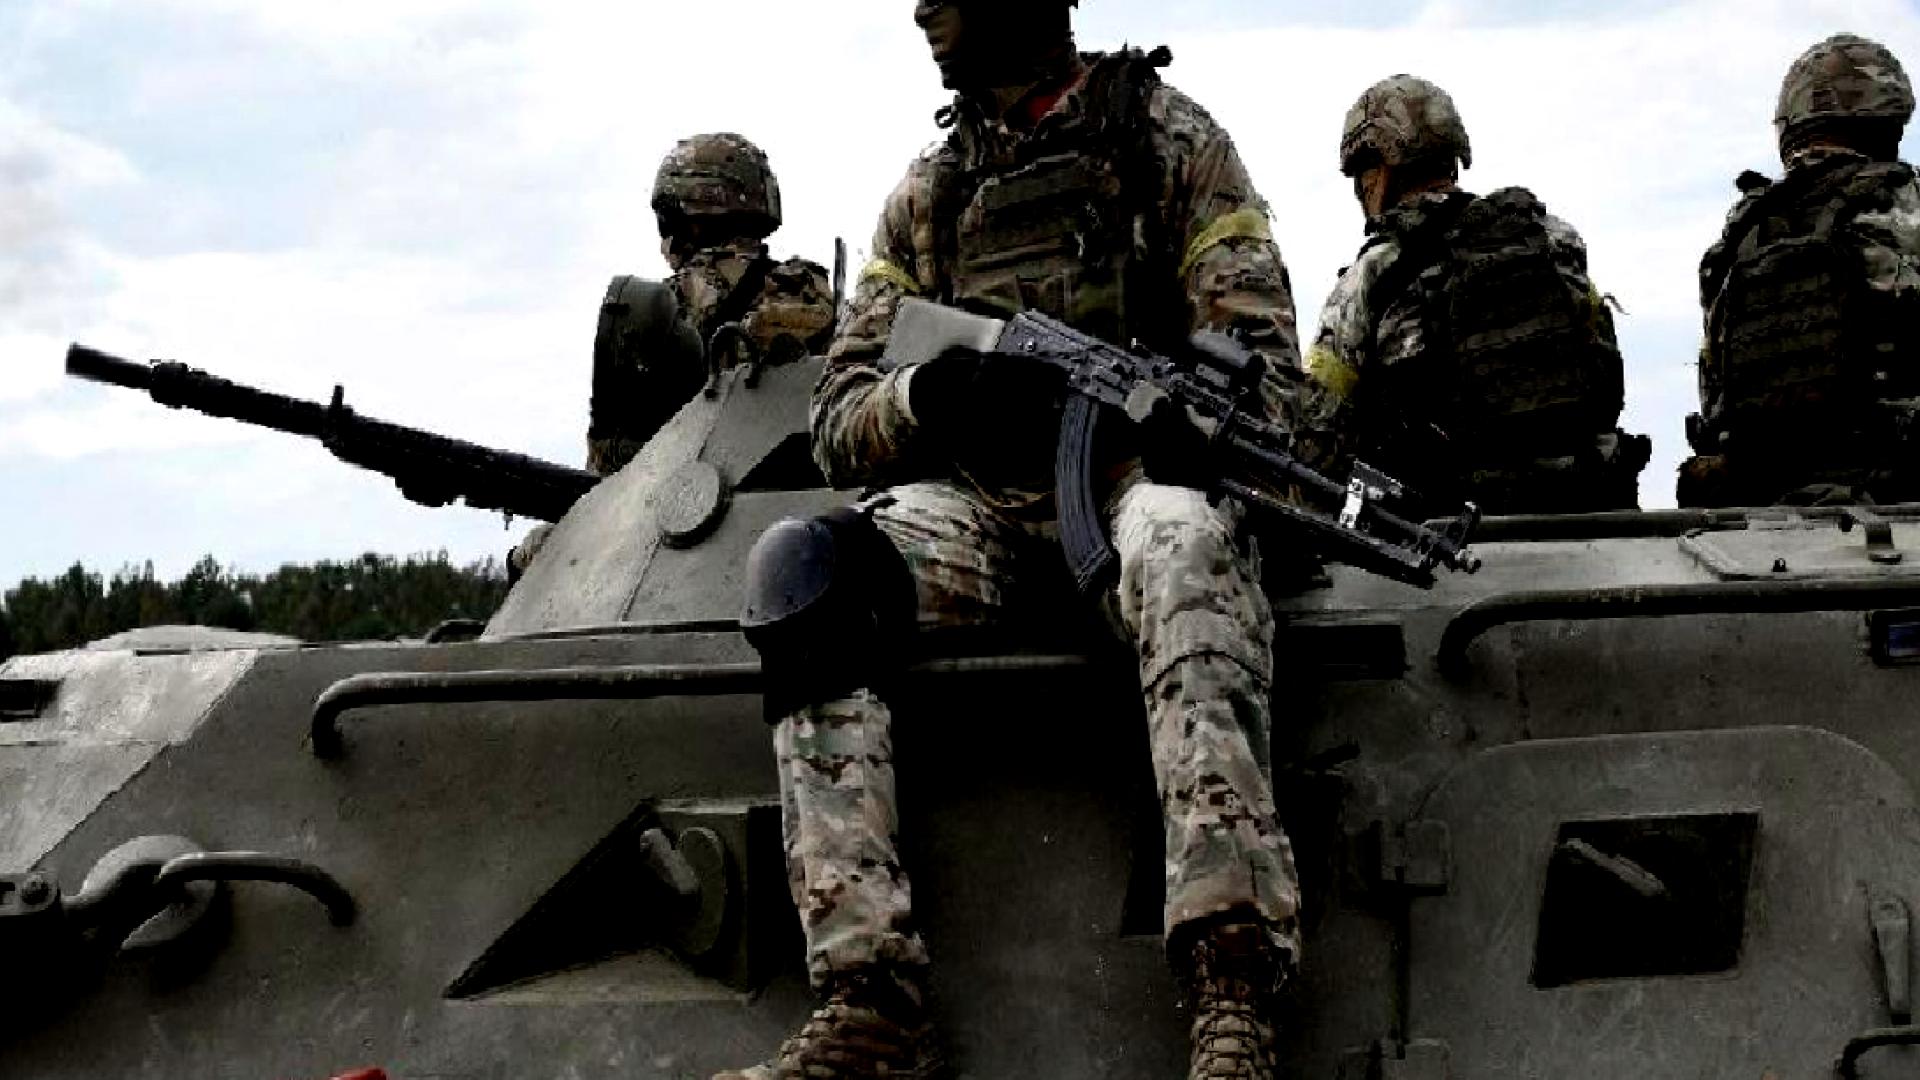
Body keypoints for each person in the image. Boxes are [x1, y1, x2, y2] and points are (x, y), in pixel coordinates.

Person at [721, 3, 1306, 1078]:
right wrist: (931, 399)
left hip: (1134, 493)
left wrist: (1176, 416)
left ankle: (1233, 980)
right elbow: (838, 420)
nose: (925, 8)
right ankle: (870, 1003)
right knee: (806, 572)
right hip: (979, 515)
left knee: (1186, 542)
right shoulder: (929, 196)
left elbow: (1267, 367)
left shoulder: (1170, 144)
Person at [1302, 75, 1647, 516]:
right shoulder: (1553, 240)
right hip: (1588, 509)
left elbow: (1317, 437)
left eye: (1362, 172)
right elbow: (1605, 374)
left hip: (1445, 533)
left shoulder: (1372, 274)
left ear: (1381, 169)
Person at [1680, 33, 1920, 507]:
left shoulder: (1738, 237)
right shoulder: (1907, 202)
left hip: (1762, 499)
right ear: (1889, 120)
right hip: (1898, 484)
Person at [587, 133, 837, 477]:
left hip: (687, 490)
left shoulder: (664, 305)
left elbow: (611, 459)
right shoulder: (810, 289)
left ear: (682, 218)